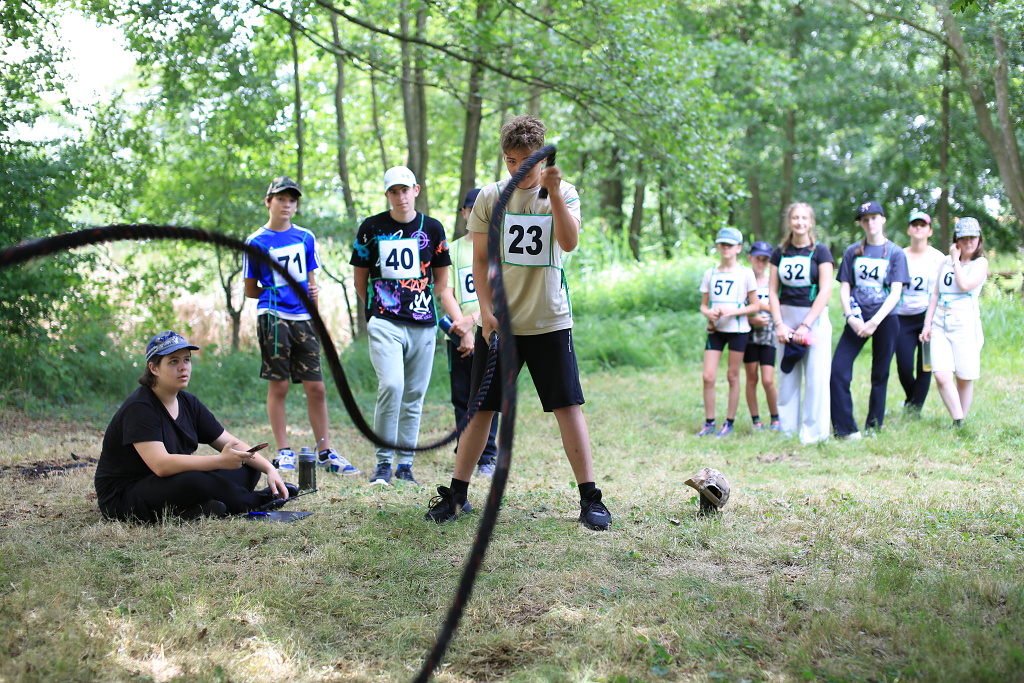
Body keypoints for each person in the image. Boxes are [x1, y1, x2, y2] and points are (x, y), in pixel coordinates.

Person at [423, 114, 612, 530]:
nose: (517, 170)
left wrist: (554, 193)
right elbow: (479, 260)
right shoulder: (490, 197)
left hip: (549, 321)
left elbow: (569, 242)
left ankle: (590, 498)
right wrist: (486, 311)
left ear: (542, 158)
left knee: (567, 406)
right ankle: (457, 495)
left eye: (526, 162)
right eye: (510, 161)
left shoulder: (565, 192)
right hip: (499, 325)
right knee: (480, 410)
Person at [95, 331, 295, 522]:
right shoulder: (140, 407)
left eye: (186, 360)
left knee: (247, 463)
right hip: (126, 496)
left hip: (169, 484)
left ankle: (198, 509)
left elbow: (230, 442)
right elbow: (161, 466)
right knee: (194, 480)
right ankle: (254, 501)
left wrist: (269, 468)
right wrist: (219, 461)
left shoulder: (188, 402)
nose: (183, 367)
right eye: (173, 361)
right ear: (154, 368)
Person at [244, 176, 357, 476]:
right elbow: (250, 289)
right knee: (279, 384)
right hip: (273, 316)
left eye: (292, 200)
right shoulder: (255, 242)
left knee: (316, 386)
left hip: (304, 319)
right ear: (268, 202)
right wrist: (277, 291)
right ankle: (284, 451)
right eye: (281, 199)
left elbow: (312, 283)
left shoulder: (305, 237)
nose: (287, 204)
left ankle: (325, 451)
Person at [350, 165, 453, 486]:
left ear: (416, 190)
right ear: (387, 195)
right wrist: (379, 308)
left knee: (414, 395)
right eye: (393, 191)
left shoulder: (432, 228)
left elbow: (441, 279)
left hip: (423, 323)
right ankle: (383, 462)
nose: (400, 196)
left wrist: (421, 301)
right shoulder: (371, 227)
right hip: (385, 321)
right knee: (392, 385)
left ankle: (405, 465)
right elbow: (360, 279)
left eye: (405, 190)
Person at [830, 201, 909, 439]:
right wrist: (851, 317)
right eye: (865, 219)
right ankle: (845, 430)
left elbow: (896, 292)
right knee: (838, 370)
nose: (870, 222)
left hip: (885, 319)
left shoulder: (896, 253)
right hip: (856, 318)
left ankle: (874, 427)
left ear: (882, 219)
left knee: (880, 374)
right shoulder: (852, 251)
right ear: (861, 224)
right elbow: (845, 287)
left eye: (874, 217)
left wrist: (874, 322)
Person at [440, 188, 500, 479]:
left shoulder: (498, 247)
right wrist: (462, 327)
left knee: (488, 397)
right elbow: (445, 291)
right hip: (458, 335)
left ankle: (487, 456)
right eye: (469, 209)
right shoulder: (453, 249)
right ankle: (464, 451)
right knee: (461, 396)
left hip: (487, 331)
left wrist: (474, 321)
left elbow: (500, 292)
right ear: (464, 213)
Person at [768, 202, 834, 444]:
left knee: (816, 377)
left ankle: (814, 434)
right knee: (787, 376)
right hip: (786, 319)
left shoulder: (821, 251)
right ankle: (787, 431)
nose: (799, 222)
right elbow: (772, 291)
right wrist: (779, 324)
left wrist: (806, 325)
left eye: (804, 218)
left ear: (811, 222)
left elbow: (826, 290)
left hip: (814, 320)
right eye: (795, 218)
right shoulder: (780, 253)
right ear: (789, 222)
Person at [920, 217, 989, 427]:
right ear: (956, 239)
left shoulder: (980, 263)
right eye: (963, 238)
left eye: (972, 238)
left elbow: (965, 284)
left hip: (964, 323)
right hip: (940, 321)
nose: (968, 242)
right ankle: (958, 418)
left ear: (979, 239)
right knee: (941, 375)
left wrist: (956, 261)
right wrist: (927, 323)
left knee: (964, 375)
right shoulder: (945, 261)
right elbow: (935, 293)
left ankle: (960, 423)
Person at [697, 227, 759, 437]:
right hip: (716, 329)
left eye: (730, 245)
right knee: (708, 376)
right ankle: (709, 422)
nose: (726, 248)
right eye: (722, 244)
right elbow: (703, 305)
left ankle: (729, 422)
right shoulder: (710, 273)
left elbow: (755, 305)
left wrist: (733, 311)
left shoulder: (746, 273)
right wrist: (709, 313)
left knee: (733, 376)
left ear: (738, 248)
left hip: (738, 330)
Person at [895, 210, 945, 413]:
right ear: (909, 230)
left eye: (922, 225)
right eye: (914, 225)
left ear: (930, 231)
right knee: (904, 366)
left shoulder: (938, 258)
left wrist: (933, 319)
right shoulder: (899, 255)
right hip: (902, 317)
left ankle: (914, 409)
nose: (918, 228)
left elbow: (943, 290)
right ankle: (912, 400)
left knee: (925, 365)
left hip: (927, 317)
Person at [744, 240, 780, 431]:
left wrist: (762, 308)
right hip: (748, 336)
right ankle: (756, 420)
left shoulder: (774, 282)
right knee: (751, 378)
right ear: (750, 258)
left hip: (769, 336)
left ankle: (776, 418)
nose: (761, 263)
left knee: (768, 379)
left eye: (765, 259)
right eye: (758, 258)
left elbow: (779, 309)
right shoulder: (744, 281)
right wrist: (752, 319)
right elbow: (738, 309)